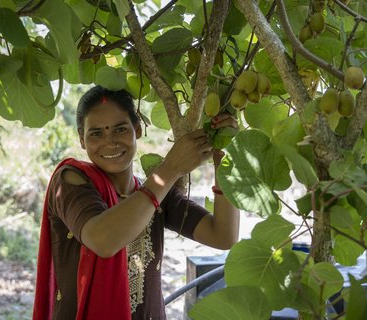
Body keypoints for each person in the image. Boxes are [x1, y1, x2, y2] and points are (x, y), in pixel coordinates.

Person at [33, 85, 240, 320]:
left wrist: (225, 159)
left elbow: (224, 236)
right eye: (96, 133)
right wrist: (170, 168)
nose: (110, 142)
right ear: (82, 139)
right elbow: (103, 240)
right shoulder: (70, 180)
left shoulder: (156, 192)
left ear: (138, 130)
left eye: (120, 129)